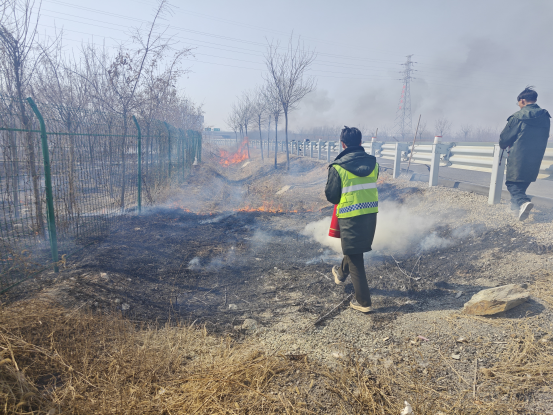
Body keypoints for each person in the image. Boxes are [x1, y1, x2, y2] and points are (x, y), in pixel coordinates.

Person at [324, 126, 378, 313]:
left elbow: (332, 197)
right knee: (353, 249)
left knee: (355, 257)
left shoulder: (337, 167)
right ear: (361, 143)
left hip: (350, 216)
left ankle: (364, 302)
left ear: (343, 144)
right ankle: (340, 274)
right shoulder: (374, 163)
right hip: (370, 215)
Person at [499, 86, 551, 221]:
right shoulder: (545, 116)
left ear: (522, 101)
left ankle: (523, 202)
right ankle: (516, 210)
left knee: (512, 183)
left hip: (518, 156)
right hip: (536, 156)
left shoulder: (518, 116)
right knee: (522, 183)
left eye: (518, 103)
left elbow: (504, 139)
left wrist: (503, 145)